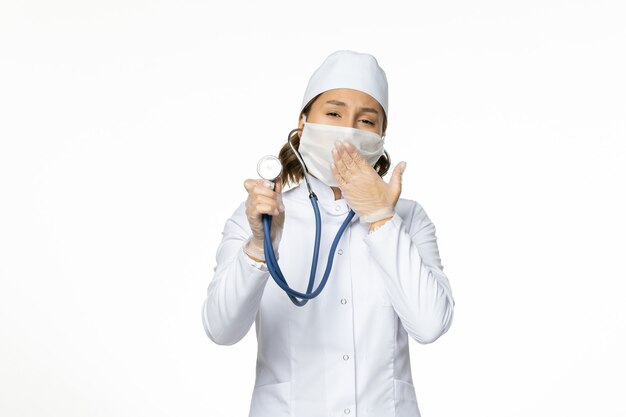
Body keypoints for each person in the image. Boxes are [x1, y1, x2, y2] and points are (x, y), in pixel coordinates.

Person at [202, 50, 455, 417]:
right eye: (333, 113)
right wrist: (259, 247)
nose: (348, 131)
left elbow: (430, 324)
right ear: (302, 123)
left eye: (366, 121)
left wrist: (381, 217)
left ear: (381, 137)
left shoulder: (408, 218)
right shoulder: (262, 214)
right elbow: (220, 329)